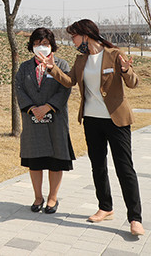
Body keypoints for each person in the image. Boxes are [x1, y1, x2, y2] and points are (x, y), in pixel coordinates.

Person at [39, 19, 144, 236]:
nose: (73, 42)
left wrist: (125, 70)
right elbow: (70, 82)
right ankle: (105, 207)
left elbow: (133, 83)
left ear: (85, 35)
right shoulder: (81, 60)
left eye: (74, 37)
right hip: (91, 120)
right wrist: (52, 68)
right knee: (98, 166)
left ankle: (135, 218)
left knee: (125, 169)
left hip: (116, 121)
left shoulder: (115, 55)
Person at [16, 27, 75, 215]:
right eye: (36, 44)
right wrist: (33, 108)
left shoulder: (62, 64)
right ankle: (38, 197)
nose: (40, 47)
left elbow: (65, 88)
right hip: (32, 119)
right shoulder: (25, 67)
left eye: (44, 44)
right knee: (35, 159)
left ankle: (52, 197)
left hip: (55, 118)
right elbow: (19, 88)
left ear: (51, 46)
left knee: (56, 159)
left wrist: (47, 107)